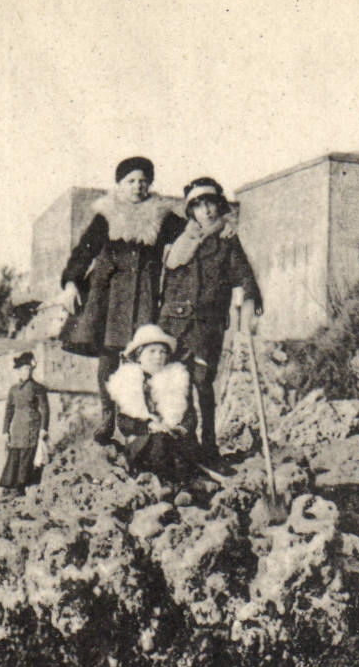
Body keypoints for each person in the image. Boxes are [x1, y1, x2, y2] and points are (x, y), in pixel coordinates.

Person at [59, 156, 189, 444]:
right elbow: (84, 251)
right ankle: (107, 416)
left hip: (144, 295)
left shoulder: (161, 215)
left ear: (150, 184)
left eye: (143, 181)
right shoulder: (107, 215)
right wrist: (70, 283)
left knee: (138, 356)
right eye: (131, 181)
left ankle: (134, 419)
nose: (137, 186)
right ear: (119, 184)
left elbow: (191, 235)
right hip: (109, 297)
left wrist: (218, 229)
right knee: (108, 357)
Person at [159, 177, 263, 463]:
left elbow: (244, 273)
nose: (206, 211)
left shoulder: (227, 241)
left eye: (211, 205)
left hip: (208, 324)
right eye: (199, 206)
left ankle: (208, 445)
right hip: (174, 322)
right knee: (178, 382)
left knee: (204, 383)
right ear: (191, 210)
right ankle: (184, 444)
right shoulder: (179, 240)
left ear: (220, 206)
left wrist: (250, 299)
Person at [106, 324, 196, 484]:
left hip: (172, 439)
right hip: (142, 443)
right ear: (139, 355)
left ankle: (180, 486)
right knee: (158, 442)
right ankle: (165, 483)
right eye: (152, 351)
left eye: (162, 352)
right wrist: (149, 426)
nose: (158, 356)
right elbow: (124, 422)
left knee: (176, 448)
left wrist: (179, 429)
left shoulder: (176, 379)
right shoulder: (128, 381)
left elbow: (190, 416)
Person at [0, 352, 50, 496]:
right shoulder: (13, 390)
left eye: (28, 369)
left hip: (32, 427)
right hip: (17, 428)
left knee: (28, 456)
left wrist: (44, 428)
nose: (26, 372)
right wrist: (5, 431)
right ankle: (13, 487)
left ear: (32, 370)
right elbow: (9, 410)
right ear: (18, 371)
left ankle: (24, 487)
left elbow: (45, 409)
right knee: (15, 454)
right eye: (23, 369)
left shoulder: (38, 388)